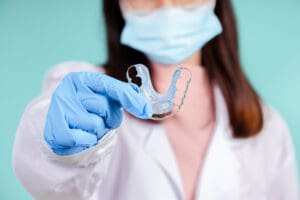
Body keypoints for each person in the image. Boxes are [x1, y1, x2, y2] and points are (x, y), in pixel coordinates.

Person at [13, 0, 299, 199]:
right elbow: (49, 180)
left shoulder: (265, 124)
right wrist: (59, 145)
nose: (166, 6)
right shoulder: (90, 93)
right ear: (118, 4)